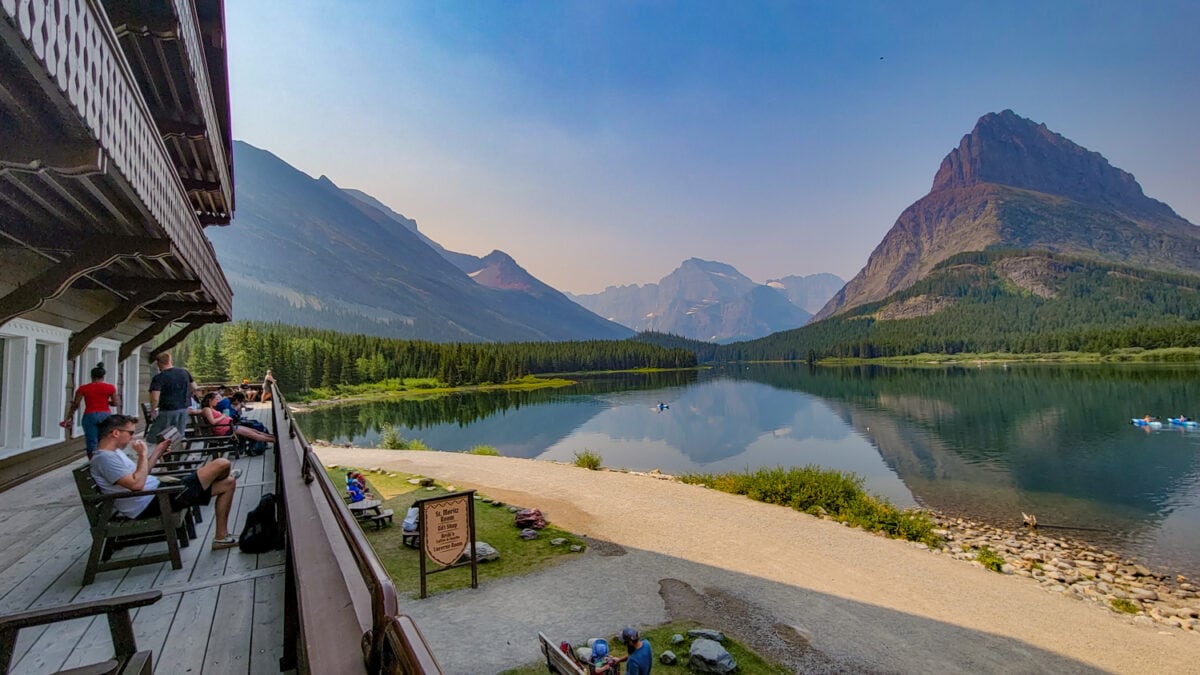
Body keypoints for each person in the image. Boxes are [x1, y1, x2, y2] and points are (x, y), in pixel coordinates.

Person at [89, 414, 241, 550]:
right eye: (130, 433)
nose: (133, 437)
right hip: (154, 500)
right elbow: (137, 485)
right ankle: (215, 478)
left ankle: (221, 538)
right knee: (222, 463)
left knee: (228, 483)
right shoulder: (104, 459)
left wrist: (157, 452)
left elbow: (141, 475)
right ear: (115, 433)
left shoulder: (113, 454)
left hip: (159, 492)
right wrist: (142, 454)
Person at [63, 363, 120, 458]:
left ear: (91, 376)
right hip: (105, 415)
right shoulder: (110, 388)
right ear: (103, 376)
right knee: (104, 438)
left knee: (91, 441)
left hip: (90, 414)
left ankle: (93, 462)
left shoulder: (83, 388)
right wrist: (106, 402)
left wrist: (68, 417)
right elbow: (116, 403)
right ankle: (105, 460)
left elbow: (75, 404)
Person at [146, 352, 198, 444]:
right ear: (170, 361)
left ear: (158, 364)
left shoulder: (159, 378)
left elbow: (155, 397)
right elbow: (194, 387)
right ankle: (178, 454)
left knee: (156, 437)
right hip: (183, 409)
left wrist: (153, 410)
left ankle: (158, 456)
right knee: (179, 435)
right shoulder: (184, 372)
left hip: (167, 410)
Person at [199, 393, 275, 445]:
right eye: (216, 399)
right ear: (210, 400)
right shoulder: (207, 409)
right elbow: (212, 422)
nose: (217, 401)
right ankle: (274, 440)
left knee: (254, 430)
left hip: (228, 426)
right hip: (224, 430)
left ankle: (273, 437)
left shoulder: (212, 408)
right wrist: (223, 416)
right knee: (252, 434)